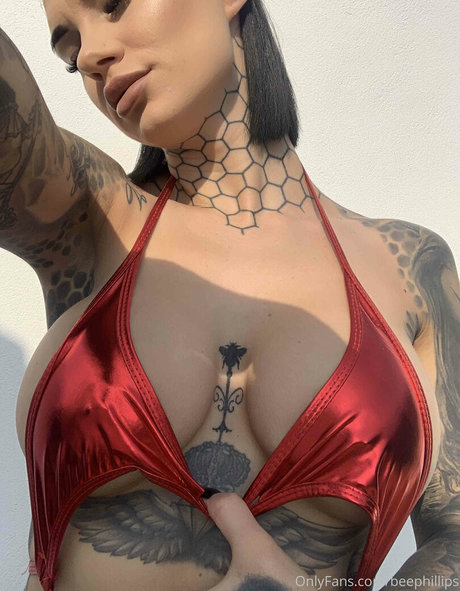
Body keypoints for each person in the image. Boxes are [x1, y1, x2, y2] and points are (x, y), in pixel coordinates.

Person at [0, 1, 458, 590]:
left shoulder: (411, 266)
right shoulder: (90, 220)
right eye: (69, 54)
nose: (89, 54)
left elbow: (453, 534)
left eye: (113, 4)